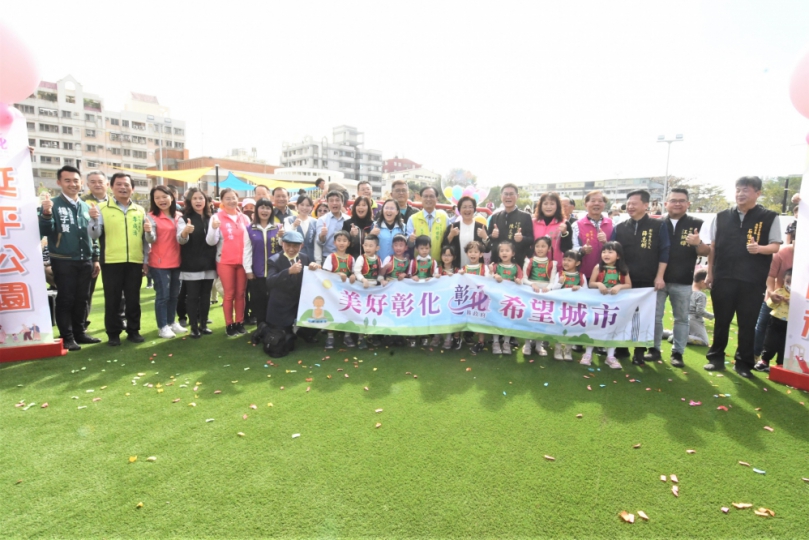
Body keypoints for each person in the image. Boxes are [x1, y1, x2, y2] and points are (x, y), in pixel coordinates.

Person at [705, 176, 781, 378]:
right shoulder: (721, 216)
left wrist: (760, 248)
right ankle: (716, 358)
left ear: (758, 193)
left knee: (747, 323)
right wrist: (710, 273)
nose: (740, 194)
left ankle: (744, 363)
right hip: (723, 277)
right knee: (721, 320)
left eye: (745, 190)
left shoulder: (769, 216)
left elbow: (775, 245)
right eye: (738, 189)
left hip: (752, 280)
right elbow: (713, 247)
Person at [38, 166, 101, 351]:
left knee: (83, 298)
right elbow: (45, 232)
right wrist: (47, 214)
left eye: (75, 180)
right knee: (66, 298)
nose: (72, 184)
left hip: (86, 259)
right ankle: (67, 336)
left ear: (81, 183)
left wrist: (95, 258)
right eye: (67, 180)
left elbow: (93, 234)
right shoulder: (53, 205)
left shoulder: (86, 206)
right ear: (59, 183)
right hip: (63, 260)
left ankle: (80, 332)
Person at [87, 172, 149, 346]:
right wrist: (93, 220)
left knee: (133, 299)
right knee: (113, 299)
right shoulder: (101, 208)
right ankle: (113, 333)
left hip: (135, 261)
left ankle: (133, 330)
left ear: (133, 188)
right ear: (111, 187)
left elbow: (144, 238)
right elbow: (94, 234)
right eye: (119, 184)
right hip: (111, 260)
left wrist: (145, 260)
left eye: (126, 185)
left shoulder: (139, 210)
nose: (123, 188)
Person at [652, 188, 709, 367]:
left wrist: (697, 243)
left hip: (683, 280)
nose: (677, 203)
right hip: (658, 280)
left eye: (681, 200)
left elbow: (707, 251)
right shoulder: (657, 223)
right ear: (666, 203)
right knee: (655, 317)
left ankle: (678, 353)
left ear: (688, 203)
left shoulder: (698, 223)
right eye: (673, 200)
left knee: (682, 318)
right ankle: (653, 349)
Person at [612, 189, 669, 366]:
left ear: (646, 205)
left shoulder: (658, 226)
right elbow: (612, 253)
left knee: (643, 316)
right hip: (624, 279)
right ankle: (621, 348)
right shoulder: (620, 227)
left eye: (634, 204)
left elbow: (665, 251)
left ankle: (639, 351)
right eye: (628, 204)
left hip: (647, 279)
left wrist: (660, 276)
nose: (630, 207)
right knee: (623, 313)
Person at [206, 188, 251, 338]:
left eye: (234, 198)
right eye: (227, 198)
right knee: (229, 294)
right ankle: (229, 324)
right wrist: (213, 228)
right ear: (222, 201)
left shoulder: (244, 218)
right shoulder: (216, 217)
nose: (231, 201)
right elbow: (210, 241)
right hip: (225, 261)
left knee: (241, 294)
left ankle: (240, 322)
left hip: (243, 262)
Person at [264, 230, 317, 353]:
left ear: (301, 246)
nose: (291, 249)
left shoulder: (304, 257)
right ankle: (263, 329)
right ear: (282, 244)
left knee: (319, 318)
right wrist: (288, 272)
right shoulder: (274, 260)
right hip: (281, 307)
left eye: (295, 246)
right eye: (288, 245)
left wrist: (315, 267)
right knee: (283, 341)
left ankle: (301, 331)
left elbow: (311, 277)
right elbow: (269, 282)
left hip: (300, 304)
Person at [144, 185, 185, 339]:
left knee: (175, 295)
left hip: (176, 261)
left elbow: (182, 238)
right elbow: (151, 239)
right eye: (157, 198)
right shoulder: (151, 217)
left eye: (164, 196)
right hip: (159, 263)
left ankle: (172, 322)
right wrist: (148, 231)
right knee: (163, 296)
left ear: (171, 197)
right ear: (153, 201)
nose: (161, 200)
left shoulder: (179, 216)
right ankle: (163, 326)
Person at [583, 241, 632, 368]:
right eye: (604, 252)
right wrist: (599, 284)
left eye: (610, 252)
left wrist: (620, 286)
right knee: (594, 326)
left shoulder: (623, 270)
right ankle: (588, 353)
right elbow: (591, 283)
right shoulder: (598, 268)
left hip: (615, 306)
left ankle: (610, 356)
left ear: (619, 256)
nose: (606, 254)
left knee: (613, 328)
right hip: (598, 305)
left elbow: (629, 285)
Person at [177, 187, 217, 338]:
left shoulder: (211, 217)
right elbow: (180, 240)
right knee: (192, 296)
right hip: (191, 263)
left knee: (206, 295)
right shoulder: (184, 218)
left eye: (201, 198)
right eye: (195, 198)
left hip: (208, 262)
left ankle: (204, 324)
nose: (198, 201)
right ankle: (193, 326)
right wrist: (185, 231)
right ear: (189, 201)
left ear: (206, 201)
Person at [753, 231, 794, 363]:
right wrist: (771, 292)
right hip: (776, 298)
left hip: (799, 303)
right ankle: (754, 356)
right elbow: (771, 275)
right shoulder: (782, 253)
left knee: (791, 333)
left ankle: (784, 363)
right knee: (762, 325)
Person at [244, 198, 282, 327]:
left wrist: (282, 236)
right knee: (258, 301)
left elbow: (283, 247)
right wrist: (248, 270)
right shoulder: (250, 228)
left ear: (271, 211)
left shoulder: (278, 227)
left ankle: (274, 328)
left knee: (274, 300)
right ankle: (261, 327)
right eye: (262, 207)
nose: (265, 210)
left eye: (268, 208)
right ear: (256, 210)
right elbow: (247, 250)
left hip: (274, 272)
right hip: (257, 272)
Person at [81, 170, 110, 330]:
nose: (97, 184)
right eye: (93, 182)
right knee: (85, 292)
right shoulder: (82, 203)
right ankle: (81, 324)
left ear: (107, 184)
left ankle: (119, 320)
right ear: (87, 184)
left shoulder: (115, 201)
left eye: (100, 181)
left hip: (113, 254)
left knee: (117, 292)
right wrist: (95, 257)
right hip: (90, 254)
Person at [522, 236, 559, 357]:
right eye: (537, 246)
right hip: (530, 293)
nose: (540, 249)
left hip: (544, 295)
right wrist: (532, 284)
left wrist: (548, 288)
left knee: (541, 319)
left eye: (543, 246)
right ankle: (527, 344)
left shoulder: (552, 263)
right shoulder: (529, 261)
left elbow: (552, 281)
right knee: (529, 318)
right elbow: (524, 278)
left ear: (549, 248)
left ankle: (539, 345)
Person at [320, 229, 356, 349]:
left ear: (349, 243)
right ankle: (330, 336)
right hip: (332, 292)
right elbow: (325, 273)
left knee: (347, 312)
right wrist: (338, 275)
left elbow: (355, 273)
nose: (341, 243)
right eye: (339, 240)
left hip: (346, 292)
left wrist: (353, 275)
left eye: (344, 241)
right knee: (331, 312)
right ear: (334, 243)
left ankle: (347, 335)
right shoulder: (331, 257)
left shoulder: (351, 258)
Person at [571, 190, 613, 284]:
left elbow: (618, 248)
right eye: (593, 201)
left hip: (609, 274)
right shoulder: (576, 225)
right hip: (583, 275)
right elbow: (573, 248)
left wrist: (606, 243)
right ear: (586, 204)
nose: (596, 203)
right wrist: (582, 250)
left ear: (604, 204)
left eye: (600, 201)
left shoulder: (612, 224)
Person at [490, 240, 523, 355]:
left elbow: (521, 280)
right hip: (497, 299)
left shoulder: (517, 267)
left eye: (507, 250)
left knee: (508, 320)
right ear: (498, 253)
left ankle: (506, 342)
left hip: (510, 301)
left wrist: (519, 281)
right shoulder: (495, 267)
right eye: (501, 250)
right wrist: (493, 275)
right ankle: (495, 342)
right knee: (496, 319)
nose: (504, 253)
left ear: (513, 253)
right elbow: (487, 279)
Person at [487, 183, 534, 264]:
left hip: (517, 262)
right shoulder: (494, 217)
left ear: (517, 196)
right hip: (498, 262)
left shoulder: (526, 216)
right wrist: (492, 236)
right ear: (501, 196)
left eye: (511, 194)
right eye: (506, 194)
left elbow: (531, 239)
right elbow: (488, 239)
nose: (508, 197)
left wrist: (522, 238)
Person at [756, 269, 791, 371]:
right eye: (788, 281)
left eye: (792, 282)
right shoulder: (779, 291)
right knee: (770, 342)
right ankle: (764, 361)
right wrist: (774, 300)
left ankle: (781, 364)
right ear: (783, 280)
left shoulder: (799, 296)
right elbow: (769, 305)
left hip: (790, 324)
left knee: (784, 344)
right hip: (775, 321)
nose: (790, 284)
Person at [459, 241, 490, 354]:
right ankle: (461, 338)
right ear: (467, 253)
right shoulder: (464, 268)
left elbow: (488, 280)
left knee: (480, 319)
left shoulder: (484, 268)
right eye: (470, 251)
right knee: (466, 318)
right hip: (467, 299)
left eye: (476, 252)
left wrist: (491, 273)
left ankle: (481, 342)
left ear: (481, 254)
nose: (473, 254)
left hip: (480, 299)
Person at [556, 249, 588, 360]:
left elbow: (587, 292)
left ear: (577, 263)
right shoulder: (559, 274)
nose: (565, 262)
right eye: (564, 259)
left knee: (571, 329)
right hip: (560, 307)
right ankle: (558, 349)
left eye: (569, 260)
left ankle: (568, 350)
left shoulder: (581, 276)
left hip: (574, 308)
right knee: (559, 329)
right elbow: (553, 289)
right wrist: (559, 283)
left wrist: (579, 288)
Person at [442, 196, 490, 268]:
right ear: (459, 210)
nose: (467, 209)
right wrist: (451, 235)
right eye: (464, 207)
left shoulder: (481, 227)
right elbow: (444, 247)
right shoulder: (453, 227)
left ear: (474, 209)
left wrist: (485, 237)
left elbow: (488, 250)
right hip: (457, 269)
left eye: (470, 207)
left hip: (476, 270)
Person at [406, 186, 449, 261]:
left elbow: (448, 240)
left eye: (431, 196)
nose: (428, 199)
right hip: (419, 265)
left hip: (439, 264)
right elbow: (409, 245)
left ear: (437, 198)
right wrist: (411, 240)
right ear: (421, 198)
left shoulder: (444, 218)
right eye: (425, 196)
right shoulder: (413, 218)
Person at [532, 192, 572, 268]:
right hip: (535, 267)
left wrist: (564, 233)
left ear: (557, 206)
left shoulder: (564, 223)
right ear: (540, 206)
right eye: (545, 204)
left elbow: (567, 249)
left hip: (555, 267)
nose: (548, 207)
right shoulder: (533, 222)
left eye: (552, 204)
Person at [316, 191, 351, 263]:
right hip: (327, 258)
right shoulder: (322, 220)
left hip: (345, 258)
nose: (334, 203)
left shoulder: (348, 219)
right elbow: (319, 242)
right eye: (331, 200)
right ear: (327, 203)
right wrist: (322, 235)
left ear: (342, 202)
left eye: (337, 200)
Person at [283, 195, 317, 262]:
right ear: (297, 206)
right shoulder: (289, 220)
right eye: (302, 204)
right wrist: (294, 226)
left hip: (311, 257)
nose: (304, 207)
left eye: (308, 205)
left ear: (312, 208)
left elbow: (317, 243)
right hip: (294, 256)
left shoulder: (315, 222)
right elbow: (285, 237)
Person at [688, 269, 713, 346]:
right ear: (702, 281)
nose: (708, 285)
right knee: (704, 341)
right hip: (694, 319)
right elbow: (700, 311)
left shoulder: (687, 290)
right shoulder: (700, 295)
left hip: (683, 317)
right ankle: (680, 337)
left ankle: (663, 333)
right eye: (708, 282)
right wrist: (713, 316)